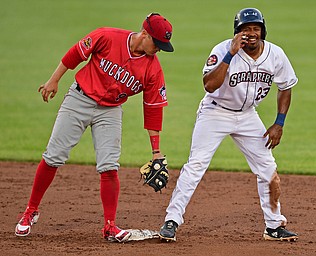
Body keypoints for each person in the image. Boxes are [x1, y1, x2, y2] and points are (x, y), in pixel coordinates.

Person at [15, 12, 174, 242]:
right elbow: (75, 54)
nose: (159, 49)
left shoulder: (153, 69)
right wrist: (54, 79)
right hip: (79, 99)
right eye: (157, 43)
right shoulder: (107, 36)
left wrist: (156, 151)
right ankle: (30, 211)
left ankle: (110, 226)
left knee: (109, 166)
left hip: (110, 111)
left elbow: (153, 109)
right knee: (53, 157)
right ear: (145, 34)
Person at [159, 7, 298, 242]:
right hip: (215, 112)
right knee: (196, 166)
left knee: (268, 169)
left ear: (263, 31)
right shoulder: (223, 49)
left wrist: (279, 123)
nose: (251, 33)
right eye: (246, 29)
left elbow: (286, 86)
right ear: (237, 32)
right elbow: (209, 85)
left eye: (256, 28)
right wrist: (230, 55)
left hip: (247, 116)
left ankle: (274, 226)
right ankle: (171, 221)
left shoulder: (275, 54)